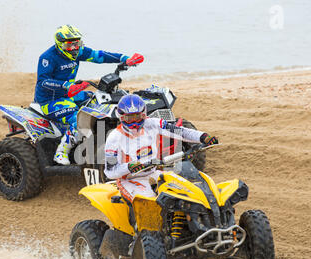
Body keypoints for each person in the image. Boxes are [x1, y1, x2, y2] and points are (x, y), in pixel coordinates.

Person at [34, 24, 144, 165]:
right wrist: (66, 86)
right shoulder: (47, 58)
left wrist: (125, 58)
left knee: (98, 103)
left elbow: (99, 56)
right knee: (77, 118)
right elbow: (42, 81)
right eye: (70, 45)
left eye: (77, 43)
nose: (74, 48)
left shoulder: (79, 52)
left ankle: (105, 138)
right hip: (49, 100)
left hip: (71, 94)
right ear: (59, 44)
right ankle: (61, 152)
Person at [104, 94, 218, 203]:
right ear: (121, 117)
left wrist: (203, 137)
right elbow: (110, 172)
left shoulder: (153, 124)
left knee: (186, 191)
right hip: (129, 180)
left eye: (137, 117)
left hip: (155, 172)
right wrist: (129, 167)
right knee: (148, 202)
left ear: (144, 114)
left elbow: (181, 132)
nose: (134, 122)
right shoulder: (114, 138)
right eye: (129, 118)